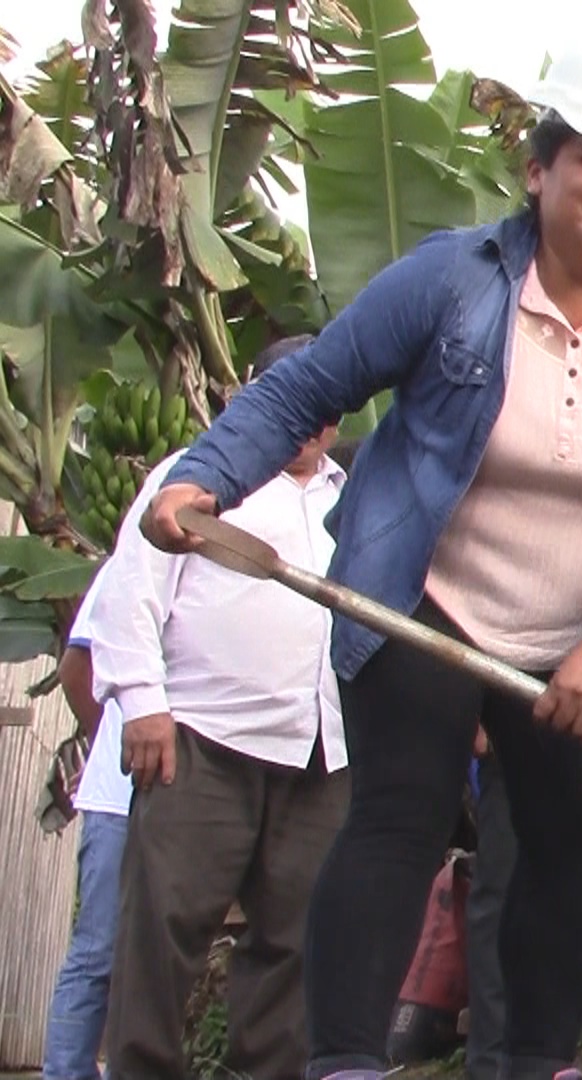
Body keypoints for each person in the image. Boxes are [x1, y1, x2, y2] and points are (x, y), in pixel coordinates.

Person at [135, 26, 582, 1079]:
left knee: (567, 855)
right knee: (398, 819)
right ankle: (341, 1061)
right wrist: (204, 475)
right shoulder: (453, 281)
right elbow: (307, 387)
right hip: (426, 605)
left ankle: (536, 1063)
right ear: (539, 168)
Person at [93, 336, 351, 1080]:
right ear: (252, 394)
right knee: (164, 929)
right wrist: (144, 704)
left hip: (321, 750)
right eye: (295, 402)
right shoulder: (195, 478)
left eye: (326, 412)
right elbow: (129, 595)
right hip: (207, 741)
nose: (311, 426)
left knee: (297, 939)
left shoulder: (350, 491)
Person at [41, 582, 131, 1080]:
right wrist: (110, 739)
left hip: (196, 798)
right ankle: (67, 1072)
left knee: (155, 953)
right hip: (118, 795)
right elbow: (77, 669)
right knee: (99, 949)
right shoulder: (132, 560)